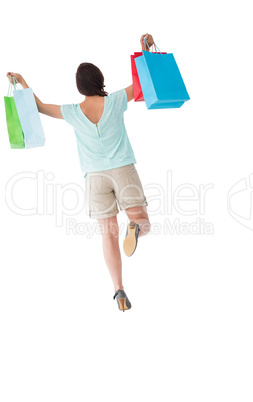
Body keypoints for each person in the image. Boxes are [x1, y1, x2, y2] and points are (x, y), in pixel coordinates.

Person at [7, 33, 154, 312]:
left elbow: (38, 107)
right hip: (122, 170)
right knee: (142, 221)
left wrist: (22, 82)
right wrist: (144, 49)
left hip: (94, 178)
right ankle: (133, 227)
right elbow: (142, 86)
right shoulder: (115, 102)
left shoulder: (73, 112)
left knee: (107, 234)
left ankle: (118, 289)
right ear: (100, 81)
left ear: (79, 87)